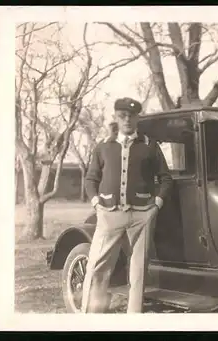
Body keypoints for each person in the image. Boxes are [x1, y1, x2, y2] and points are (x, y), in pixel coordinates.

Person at [81, 97, 173, 313]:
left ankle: (134, 321)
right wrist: (97, 205)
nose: (127, 120)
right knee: (96, 267)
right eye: (122, 116)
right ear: (115, 117)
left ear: (137, 118)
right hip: (108, 215)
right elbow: (91, 179)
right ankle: (91, 319)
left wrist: (155, 206)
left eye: (131, 116)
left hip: (141, 216)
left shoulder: (150, 146)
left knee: (138, 272)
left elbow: (166, 179)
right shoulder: (104, 146)